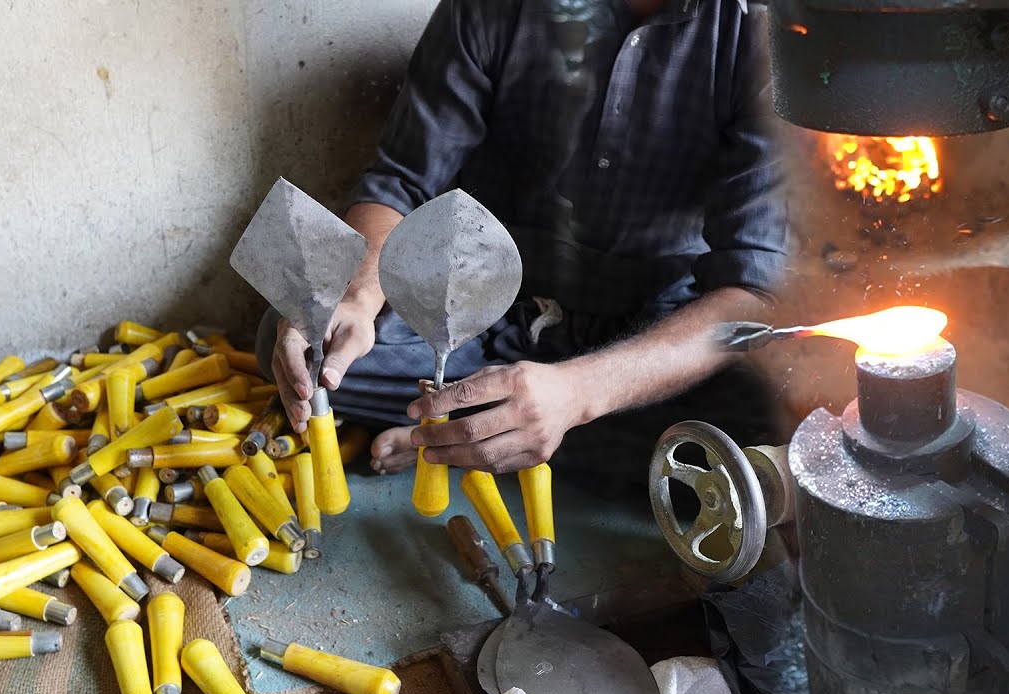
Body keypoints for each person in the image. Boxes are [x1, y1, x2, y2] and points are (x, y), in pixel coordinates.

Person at [256, 0, 786, 496]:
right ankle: (496, 430)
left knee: (771, 421)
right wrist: (355, 296)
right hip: (488, 312)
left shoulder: (765, 34)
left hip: (648, 342)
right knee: (301, 342)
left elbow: (750, 293)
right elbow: (401, 182)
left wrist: (577, 393)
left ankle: (465, 434)